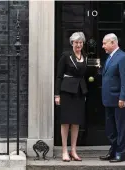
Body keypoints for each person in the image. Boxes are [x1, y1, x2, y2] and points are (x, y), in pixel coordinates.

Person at [99, 33, 125, 163]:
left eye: (104, 43)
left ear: (113, 43)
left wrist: (123, 98)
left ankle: (120, 153)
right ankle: (113, 151)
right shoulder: (110, 57)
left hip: (120, 100)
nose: (103, 46)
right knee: (111, 129)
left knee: (121, 128)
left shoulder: (123, 57)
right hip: (109, 99)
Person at [55, 32, 88, 162]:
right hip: (67, 91)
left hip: (79, 91)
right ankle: (64, 151)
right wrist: (57, 94)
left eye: (80, 42)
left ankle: (73, 150)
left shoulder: (84, 56)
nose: (78, 45)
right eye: (76, 42)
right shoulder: (65, 56)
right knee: (66, 121)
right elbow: (59, 76)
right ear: (72, 43)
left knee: (76, 121)